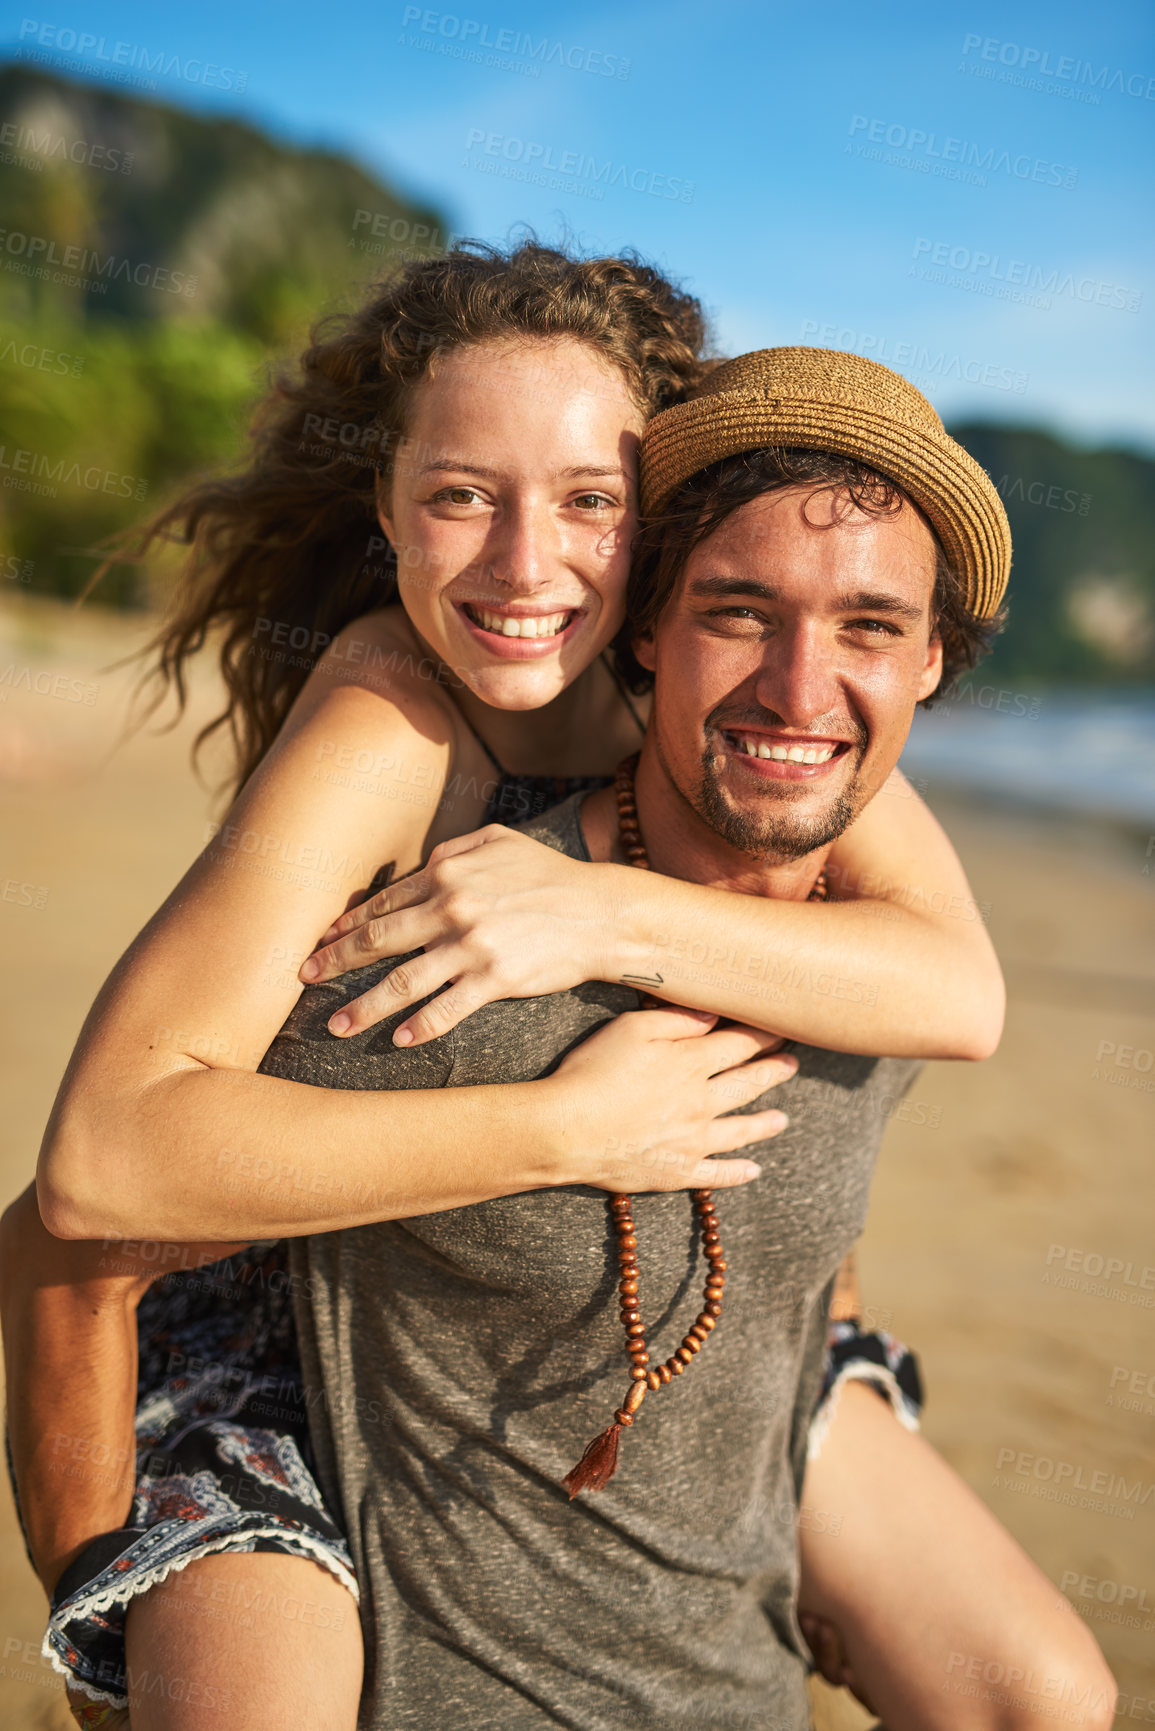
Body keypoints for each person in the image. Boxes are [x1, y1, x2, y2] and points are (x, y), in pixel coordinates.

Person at [0, 246, 1093, 1724]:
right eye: (461, 495)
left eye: (590, 500)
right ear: (386, 504)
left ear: (653, 536)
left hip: (719, 1328)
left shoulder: (765, 699)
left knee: (1041, 1689)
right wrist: (567, 1129)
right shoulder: (390, 714)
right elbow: (88, 1176)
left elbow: (958, 990)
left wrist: (601, 912)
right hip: (298, 1323)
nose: (525, 569)